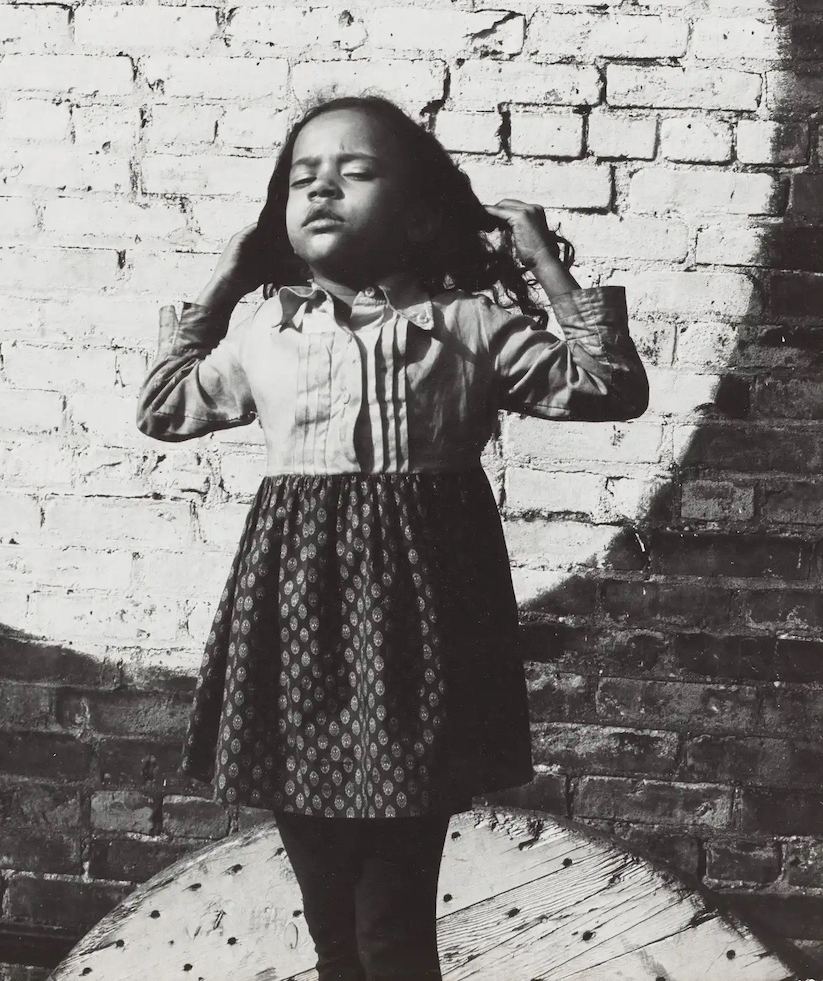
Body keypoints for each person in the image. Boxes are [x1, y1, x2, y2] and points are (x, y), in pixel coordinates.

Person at [136, 94, 651, 981]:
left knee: (392, 924)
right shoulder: (266, 325)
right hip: (295, 631)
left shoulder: (469, 325)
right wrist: (221, 283)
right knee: (332, 920)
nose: (323, 188)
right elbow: (163, 408)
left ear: (419, 216)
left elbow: (609, 385)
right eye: (303, 177)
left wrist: (543, 265)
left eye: (355, 171)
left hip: (420, 636)